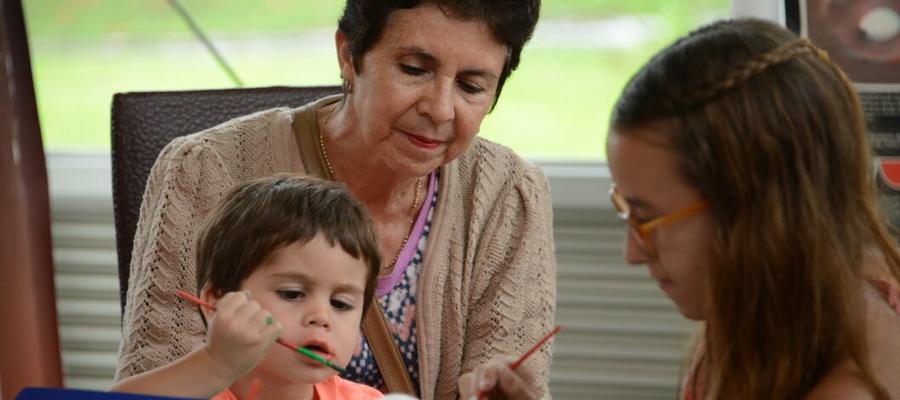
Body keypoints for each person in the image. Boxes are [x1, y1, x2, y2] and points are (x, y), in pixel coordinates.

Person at [115, 1, 557, 399]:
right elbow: (160, 377)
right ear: (348, 54)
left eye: (471, 86)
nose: (440, 109)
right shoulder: (206, 169)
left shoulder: (507, 193)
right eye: (414, 69)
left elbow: (515, 385)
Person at [459, 18, 900, 399]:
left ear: (752, 211)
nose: (632, 253)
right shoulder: (762, 317)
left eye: (647, 218)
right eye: (624, 210)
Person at [110, 175, 383, 399]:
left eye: (341, 304)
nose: (321, 317)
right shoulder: (196, 390)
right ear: (218, 303)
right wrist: (216, 364)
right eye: (292, 294)